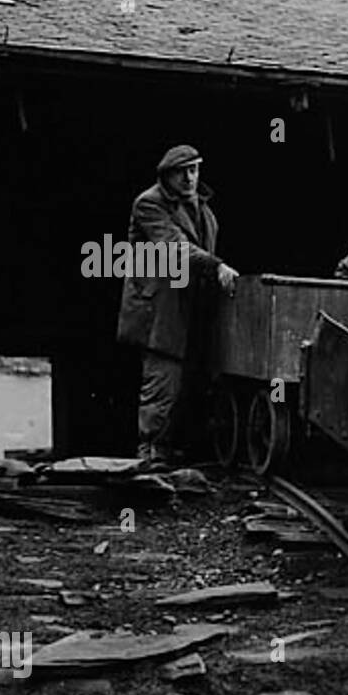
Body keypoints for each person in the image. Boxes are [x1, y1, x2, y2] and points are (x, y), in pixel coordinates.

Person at [116, 144, 239, 468]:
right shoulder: (150, 204)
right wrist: (216, 265)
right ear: (166, 175)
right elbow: (175, 247)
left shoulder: (205, 211)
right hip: (162, 309)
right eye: (181, 171)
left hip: (193, 308)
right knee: (163, 382)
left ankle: (174, 454)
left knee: (190, 383)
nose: (189, 178)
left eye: (194, 170)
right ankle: (151, 454)